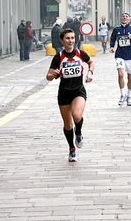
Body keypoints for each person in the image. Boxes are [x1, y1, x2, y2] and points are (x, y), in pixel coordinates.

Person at [46, 28, 94, 162]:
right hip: (64, 93)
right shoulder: (58, 57)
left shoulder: (80, 53)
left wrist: (90, 72)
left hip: (78, 91)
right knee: (68, 125)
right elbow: (48, 76)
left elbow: (91, 62)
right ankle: (72, 148)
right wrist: (53, 74)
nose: (70, 41)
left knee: (77, 115)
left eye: (72, 38)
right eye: (67, 38)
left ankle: (78, 133)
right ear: (62, 40)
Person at [110, 12, 131, 106]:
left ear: (130, 19)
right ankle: (122, 94)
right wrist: (112, 46)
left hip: (130, 56)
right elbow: (112, 38)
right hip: (120, 55)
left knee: (130, 77)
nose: (124, 18)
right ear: (121, 18)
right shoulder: (116, 29)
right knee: (120, 74)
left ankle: (129, 95)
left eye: (126, 16)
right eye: (123, 16)